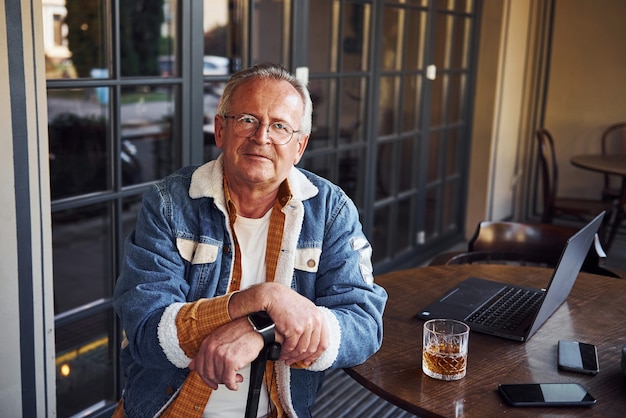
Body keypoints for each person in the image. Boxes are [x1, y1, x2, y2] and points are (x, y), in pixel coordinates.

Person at [113, 62, 387, 418]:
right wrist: (264, 297)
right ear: (220, 130)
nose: (262, 137)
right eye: (247, 120)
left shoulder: (330, 210)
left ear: (299, 146)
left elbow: (364, 324)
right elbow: (147, 333)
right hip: (167, 409)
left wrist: (260, 329)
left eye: (280, 126)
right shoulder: (169, 204)